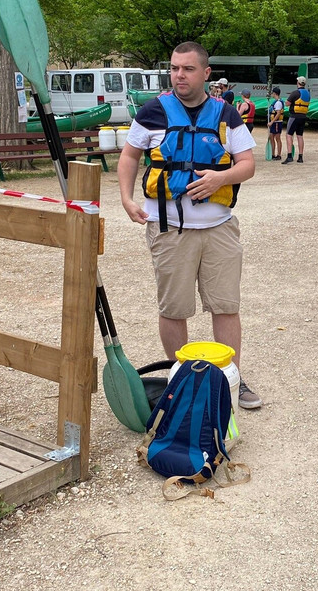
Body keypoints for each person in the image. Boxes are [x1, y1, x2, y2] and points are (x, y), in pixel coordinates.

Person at [118, 41, 262, 409]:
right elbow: (130, 155)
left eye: (187, 69)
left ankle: (230, 381)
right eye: (174, 68)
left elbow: (247, 164)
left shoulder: (227, 114)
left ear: (206, 73)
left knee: (226, 306)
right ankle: (179, 381)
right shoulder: (152, 112)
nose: (179, 75)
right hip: (169, 229)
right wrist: (126, 198)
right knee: (174, 309)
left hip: (219, 228)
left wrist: (219, 178)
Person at [282, 75, 311, 163]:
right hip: (303, 117)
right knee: (300, 136)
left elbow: (287, 103)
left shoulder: (295, 93)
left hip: (294, 116)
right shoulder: (307, 93)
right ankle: (300, 157)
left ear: (298, 83)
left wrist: (283, 101)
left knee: (289, 135)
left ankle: (290, 156)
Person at [267, 86, 285, 161]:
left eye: (272, 93)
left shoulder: (278, 103)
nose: (272, 94)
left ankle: (279, 155)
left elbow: (278, 114)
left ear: (275, 93)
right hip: (275, 123)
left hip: (277, 123)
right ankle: (273, 154)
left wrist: (271, 122)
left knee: (277, 138)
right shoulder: (276, 102)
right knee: (271, 137)